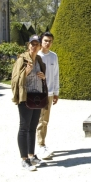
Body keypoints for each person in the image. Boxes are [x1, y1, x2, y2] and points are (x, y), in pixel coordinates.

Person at [12, 35, 46, 171]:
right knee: (24, 127)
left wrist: (43, 76)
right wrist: (25, 72)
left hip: (37, 96)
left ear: (39, 47)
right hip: (26, 97)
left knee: (33, 127)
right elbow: (14, 79)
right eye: (32, 44)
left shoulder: (38, 59)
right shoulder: (22, 59)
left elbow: (43, 75)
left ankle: (31, 155)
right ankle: (24, 159)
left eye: (36, 44)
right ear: (28, 45)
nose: (34, 46)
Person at [36, 32, 59, 160]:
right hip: (37, 93)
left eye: (50, 41)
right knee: (40, 120)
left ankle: (42, 144)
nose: (48, 43)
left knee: (45, 120)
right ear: (41, 41)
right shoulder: (36, 56)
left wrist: (56, 92)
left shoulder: (54, 56)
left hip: (49, 93)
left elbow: (56, 75)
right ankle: (40, 145)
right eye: (45, 40)